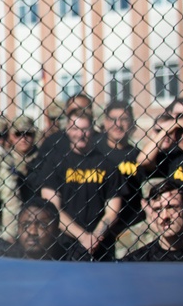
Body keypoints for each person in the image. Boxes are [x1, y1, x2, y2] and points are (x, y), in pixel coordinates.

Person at [35, 108, 123, 260]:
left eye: (85, 129)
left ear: (92, 130)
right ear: (68, 130)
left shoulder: (107, 164)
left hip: (100, 245)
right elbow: (51, 207)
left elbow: (113, 210)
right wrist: (83, 237)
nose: (80, 134)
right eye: (75, 128)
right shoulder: (55, 163)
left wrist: (95, 237)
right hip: (63, 244)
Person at [136, 110, 183, 237]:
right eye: (179, 131)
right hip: (176, 232)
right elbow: (143, 160)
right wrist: (167, 129)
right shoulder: (171, 157)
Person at [122, 179, 183, 262]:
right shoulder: (138, 261)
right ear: (152, 215)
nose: (164, 216)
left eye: (171, 207)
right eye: (157, 209)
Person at [4, 197, 88, 261]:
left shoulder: (72, 258)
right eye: (26, 225)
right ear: (18, 229)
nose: (33, 232)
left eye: (42, 226)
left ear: (57, 232)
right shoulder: (6, 258)